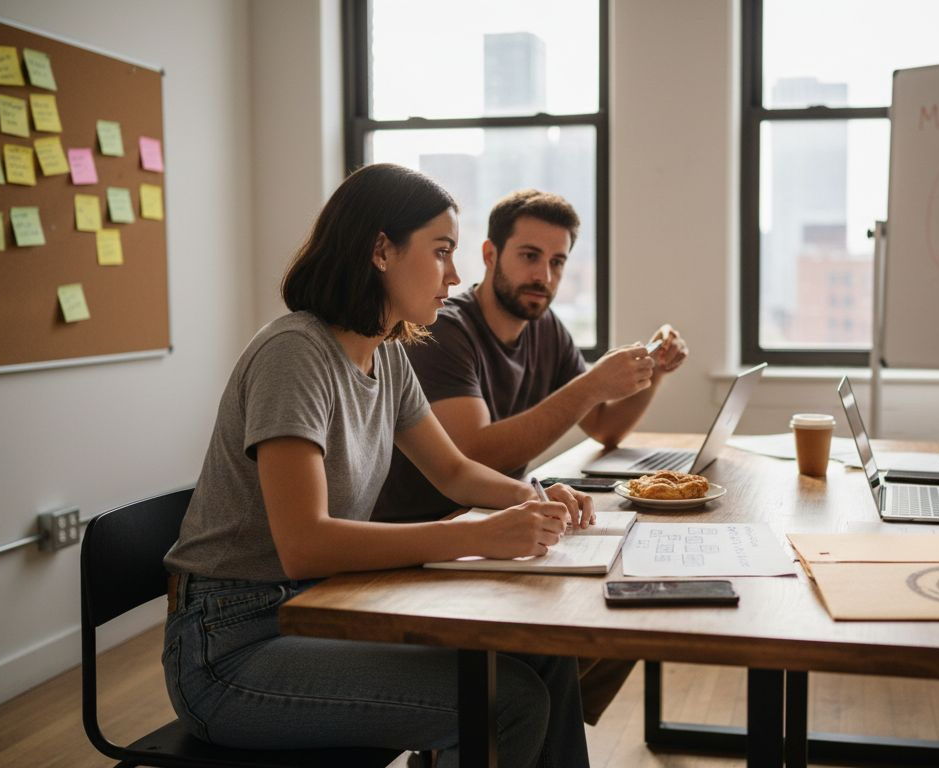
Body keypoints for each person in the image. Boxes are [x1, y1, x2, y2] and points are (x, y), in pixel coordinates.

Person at [162, 164, 591, 768]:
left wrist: (534, 496)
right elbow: (304, 546)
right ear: (381, 251)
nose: (456, 275)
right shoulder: (296, 354)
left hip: (320, 609)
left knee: (540, 652)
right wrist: (474, 534)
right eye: (441, 252)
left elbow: (456, 472)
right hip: (231, 648)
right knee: (506, 701)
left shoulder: (385, 356)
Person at [373, 189, 689, 725]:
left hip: (495, 525)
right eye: (529, 256)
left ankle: (542, 722)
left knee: (639, 589)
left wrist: (650, 374)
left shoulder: (546, 330)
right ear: (490, 255)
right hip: (428, 538)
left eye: (558, 261)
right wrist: (591, 384)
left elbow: (606, 428)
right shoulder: (443, 328)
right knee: (585, 623)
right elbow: (471, 454)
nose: (544, 274)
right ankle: (524, 720)